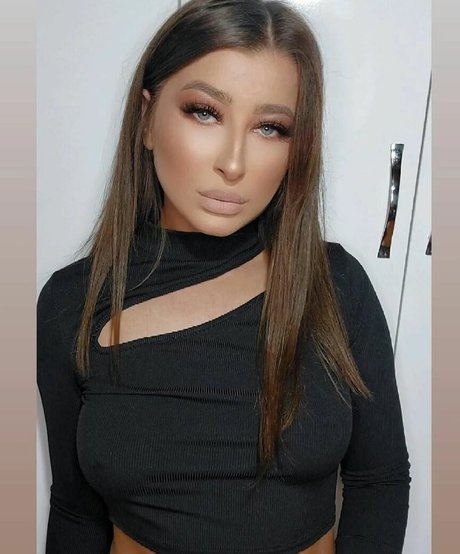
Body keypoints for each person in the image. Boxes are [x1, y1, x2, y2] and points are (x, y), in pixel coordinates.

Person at [37, 1, 412, 553]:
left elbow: (379, 482)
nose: (233, 163)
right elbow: (75, 509)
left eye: (270, 127)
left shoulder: (335, 287)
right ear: (146, 119)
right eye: (205, 112)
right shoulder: (73, 301)